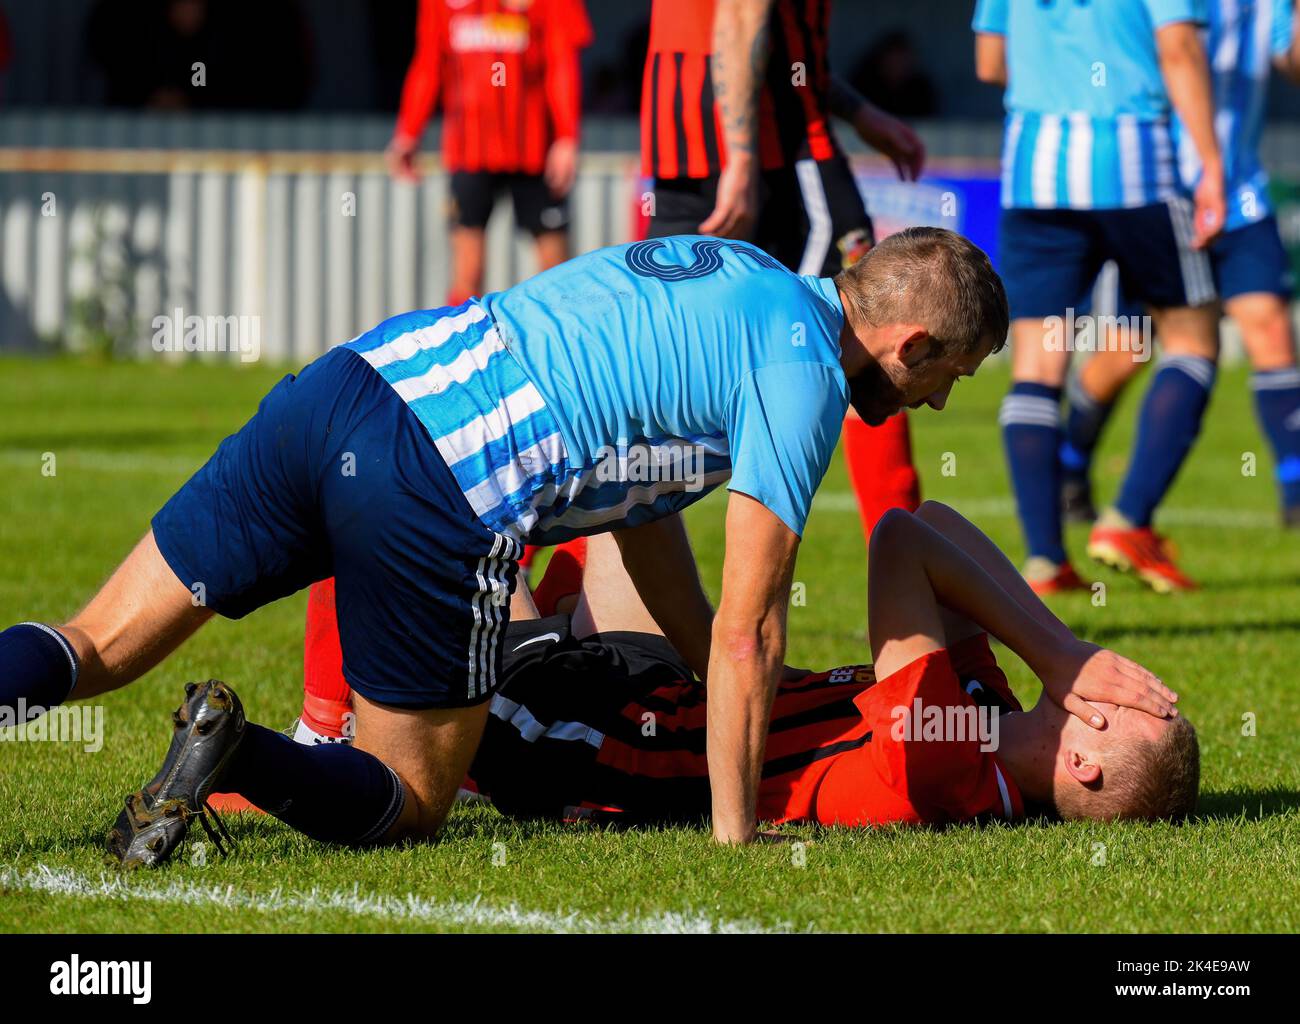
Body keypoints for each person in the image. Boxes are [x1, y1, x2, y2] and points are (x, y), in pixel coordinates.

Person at [4, 228, 1047, 863]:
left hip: (352, 380)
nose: (940, 399)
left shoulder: (749, 274)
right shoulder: (806, 371)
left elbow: (648, 515)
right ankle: (242, 750)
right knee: (411, 801)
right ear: (908, 343)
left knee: (93, 642)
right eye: (948, 374)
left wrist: (687, 669)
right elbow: (753, 627)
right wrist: (737, 832)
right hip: (440, 480)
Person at [208, 504, 1197, 842]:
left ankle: (314, 734)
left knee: (387, 517)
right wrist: (1054, 656)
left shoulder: (948, 765)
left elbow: (900, 541)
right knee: (635, 480)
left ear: (1088, 764)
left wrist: (1060, 654)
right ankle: (522, 581)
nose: (1112, 686)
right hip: (657, 686)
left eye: (1115, 708)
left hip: (596, 747)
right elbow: (940, 524)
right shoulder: (982, 710)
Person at [641, 0, 927, 543]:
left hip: (683, 134)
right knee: (869, 341)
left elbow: (775, 39)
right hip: (772, 150)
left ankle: (558, 576)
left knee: (654, 369)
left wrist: (858, 112)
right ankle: (912, 572)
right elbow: (741, 15)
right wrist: (742, 157)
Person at [975, 0, 1227, 595]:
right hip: (1133, 161)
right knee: (1191, 341)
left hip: (1033, 167)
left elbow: (990, 63)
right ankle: (1128, 518)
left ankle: (1043, 560)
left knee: (1036, 365)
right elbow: (1179, 49)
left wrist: (1054, 82)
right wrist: (1212, 164)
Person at [1061, 0, 1300, 555]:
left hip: (1241, 195)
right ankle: (1069, 465)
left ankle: (1293, 491)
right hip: (1158, 194)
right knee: (1128, 349)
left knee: (1267, 325)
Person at [386, 0, 592, 305]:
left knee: (556, 270)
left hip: (535, 151)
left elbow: (562, 62)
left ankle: (556, 349)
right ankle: (465, 347)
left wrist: (566, 137)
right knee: (468, 268)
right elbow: (428, 64)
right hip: (469, 151)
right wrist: (408, 131)